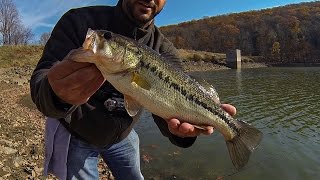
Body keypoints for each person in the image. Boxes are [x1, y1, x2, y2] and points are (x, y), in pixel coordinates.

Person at [30, 0, 236, 179]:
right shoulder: (79, 21)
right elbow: (41, 82)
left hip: (123, 135)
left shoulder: (165, 50)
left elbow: (167, 109)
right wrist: (55, 93)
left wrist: (181, 132)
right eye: (107, 38)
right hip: (76, 133)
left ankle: (235, 132)